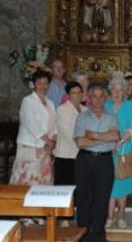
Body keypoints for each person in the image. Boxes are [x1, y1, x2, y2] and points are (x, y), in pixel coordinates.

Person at [74, 85, 120, 242]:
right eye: (95, 96)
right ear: (89, 98)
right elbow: (80, 142)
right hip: (85, 160)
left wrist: (92, 135)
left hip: (105, 160)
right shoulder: (82, 117)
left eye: (101, 96)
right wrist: (104, 137)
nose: (98, 100)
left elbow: (115, 136)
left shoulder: (112, 117)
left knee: (102, 197)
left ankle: (98, 234)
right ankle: (83, 233)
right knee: (84, 197)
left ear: (105, 98)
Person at [10, 70, 56, 187]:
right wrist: (48, 140)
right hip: (30, 146)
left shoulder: (50, 103)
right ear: (34, 84)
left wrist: (54, 139)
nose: (43, 86)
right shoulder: (28, 101)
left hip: (46, 148)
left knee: (43, 180)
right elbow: (32, 124)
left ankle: (41, 205)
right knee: (27, 180)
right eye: (39, 82)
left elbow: (54, 125)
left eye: (45, 83)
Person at [104, 78, 132, 229]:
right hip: (107, 150)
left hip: (124, 150)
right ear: (110, 91)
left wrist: (118, 143)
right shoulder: (106, 105)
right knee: (109, 184)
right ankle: (110, 216)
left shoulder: (130, 105)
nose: (117, 93)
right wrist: (109, 144)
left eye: (120, 90)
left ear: (125, 92)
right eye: (114, 90)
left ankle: (122, 214)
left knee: (122, 185)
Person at [54, 81, 87, 227]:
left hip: (82, 154)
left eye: (79, 93)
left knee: (79, 186)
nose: (77, 95)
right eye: (73, 93)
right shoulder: (62, 109)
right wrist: (85, 142)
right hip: (66, 154)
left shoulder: (86, 109)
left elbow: (89, 128)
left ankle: (78, 214)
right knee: (64, 186)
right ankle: (64, 218)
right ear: (68, 95)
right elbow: (67, 132)